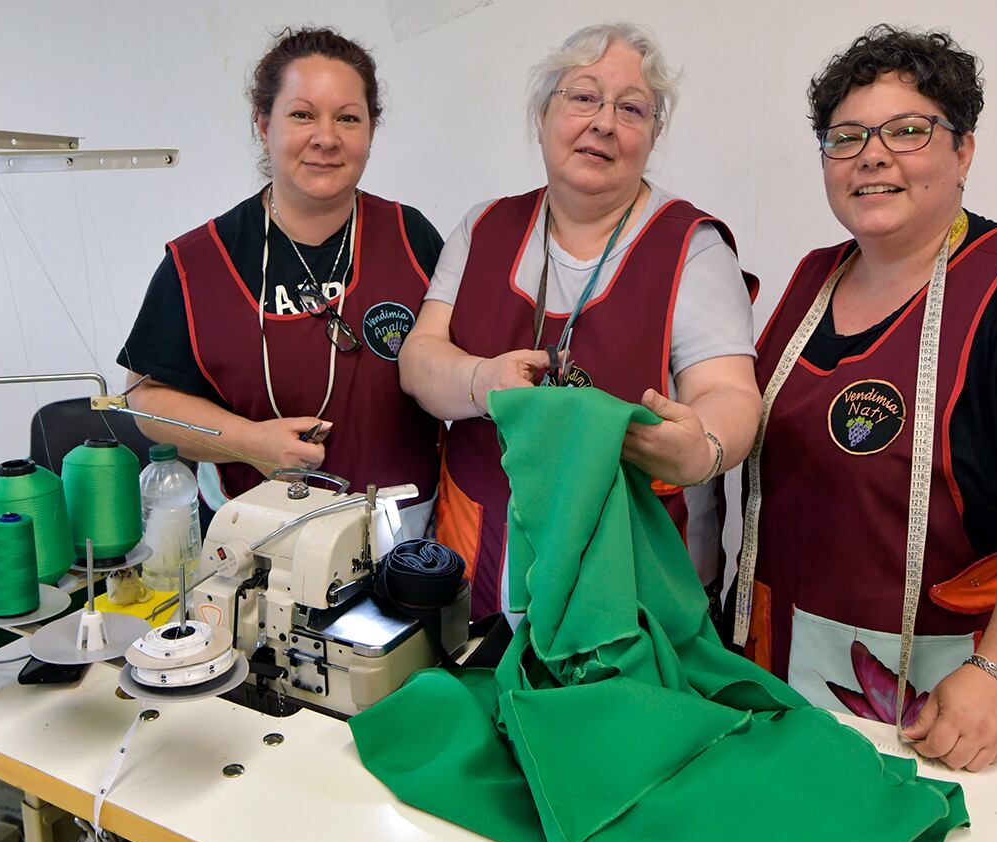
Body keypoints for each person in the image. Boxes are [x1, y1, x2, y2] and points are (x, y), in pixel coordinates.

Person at [723, 25, 997, 770]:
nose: (872, 154)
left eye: (909, 130)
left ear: (964, 150)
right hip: (786, 668)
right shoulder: (808, 285)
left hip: (961, 690)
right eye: (846, 136)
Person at [399, 22, 762, 621]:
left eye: (632, 108)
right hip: (478, 570)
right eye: (584, 97)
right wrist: (480, 381)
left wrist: (703, 449)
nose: (603, 123)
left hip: (634, 589)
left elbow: (728, 393)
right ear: (543, 113)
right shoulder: (482, 227)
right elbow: (418, 361)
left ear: (654, 134)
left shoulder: (692, 248)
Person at [118, 27, 443, 536]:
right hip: (255, 536)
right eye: (302, 114)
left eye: (348, 118)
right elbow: (146, 400)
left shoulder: (412, 239)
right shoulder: (199, 261)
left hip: (400, 530)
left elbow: (455, 368)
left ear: (371, 131)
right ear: (263, 122)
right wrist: (249, 442)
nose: (327, 137)